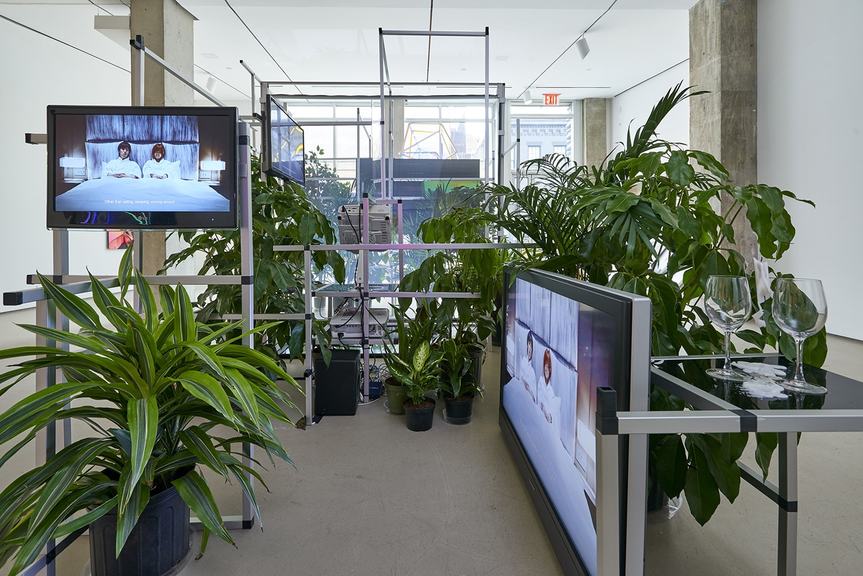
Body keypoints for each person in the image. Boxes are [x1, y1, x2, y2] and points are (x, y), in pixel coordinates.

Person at [539, 349, 561, 430]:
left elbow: (552, 419)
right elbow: (538, 404)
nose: (547, 369)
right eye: (545, 365)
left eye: (549, 366)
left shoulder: (553, 392)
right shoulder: (541, 382)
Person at [518, 331, 539, 403]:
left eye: (531, 346)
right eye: (528, 344)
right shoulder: (523, 361)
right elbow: (520, 381)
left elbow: (534, 399)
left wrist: (528, 388)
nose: (529, 349)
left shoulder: (532, 373)